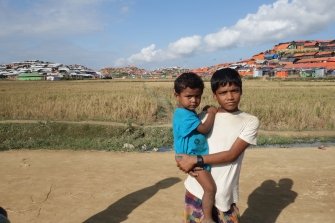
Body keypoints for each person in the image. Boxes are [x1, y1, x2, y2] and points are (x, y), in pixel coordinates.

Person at [176, 68, 259, 223]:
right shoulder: (204, 117)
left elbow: (231, 155)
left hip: (224, 196)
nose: (230, 97)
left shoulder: (249, 121)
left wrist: (194, 160)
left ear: (241, 91)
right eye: (223, 92)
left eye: (234, 91)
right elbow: (185, 142)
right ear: (215, 95)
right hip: (196, 191)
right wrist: (181, 160)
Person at [173, 72, 218, 223]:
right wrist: (211, 112)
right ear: (176, 95)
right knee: (210, 189)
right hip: (190, 158)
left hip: (189, 156)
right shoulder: (183, 114)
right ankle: (208, 218)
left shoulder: (187, 113)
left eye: (197, 96)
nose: (194, 100)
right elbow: (204, 129)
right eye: (189, 96)